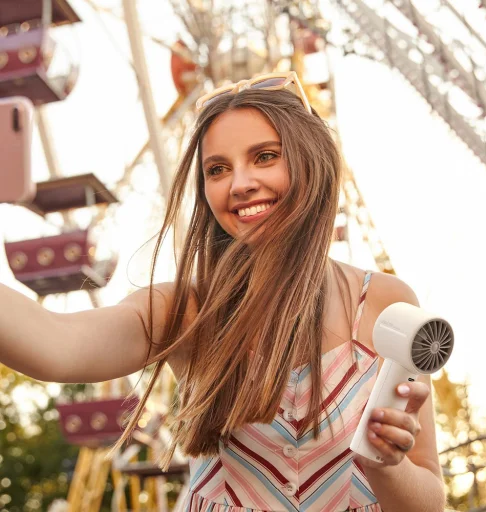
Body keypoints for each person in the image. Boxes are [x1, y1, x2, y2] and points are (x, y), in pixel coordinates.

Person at [0, 72, 446, 511]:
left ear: (313, 161)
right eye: (217, 169)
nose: (239, 184)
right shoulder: (186, 311)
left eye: (265, 156)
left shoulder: (386, 303)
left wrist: (387, 464)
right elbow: (57, 344)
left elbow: (428, 503)